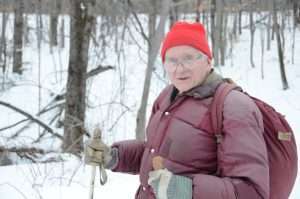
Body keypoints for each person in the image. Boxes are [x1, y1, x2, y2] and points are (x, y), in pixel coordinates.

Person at [84, 21, 269, 199]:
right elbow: (157, 156)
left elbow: (251, 191)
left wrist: (185, 190)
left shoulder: (234, 107)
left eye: (189, 58)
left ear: (208, 60)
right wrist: (114, 156)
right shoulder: (168, 96)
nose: (179, 69)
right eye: (172, 60)